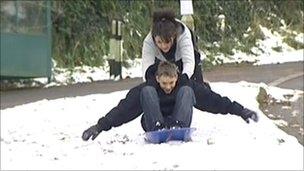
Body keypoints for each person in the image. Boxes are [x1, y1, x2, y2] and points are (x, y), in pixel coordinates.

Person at [82, 61, 258, 141]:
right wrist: (100, 126)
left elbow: (215, 101)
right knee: (147, 92)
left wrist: (241, 111)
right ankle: (159, 126)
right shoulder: (148, 86)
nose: (168, 87)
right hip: (153, 124)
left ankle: (177, 126)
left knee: (188, 91)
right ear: (158, 78)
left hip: (179, 121)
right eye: (164, 83)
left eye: (171, 83)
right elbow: (124, 109)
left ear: (176, 77)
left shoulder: (184, 84)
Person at [142, 8, 207, 87]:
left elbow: (188, 62)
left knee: (196, 86)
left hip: (185, 58)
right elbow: (147, 67)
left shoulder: (183, 35)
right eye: (159, 42)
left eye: (167, 41)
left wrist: (183, 79)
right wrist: (150, 83)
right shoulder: (148, 41)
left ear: (174, 36)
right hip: (162, 61)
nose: (163, 46)